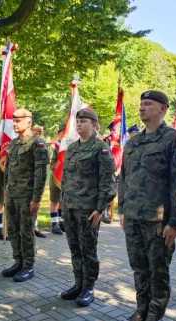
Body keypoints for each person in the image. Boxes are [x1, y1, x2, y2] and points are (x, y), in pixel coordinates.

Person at [118, 90, 176, 321]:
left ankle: (155, 317)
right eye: (141, 104)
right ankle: (141, 311)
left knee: (157, 270)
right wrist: (122, 209)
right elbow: (124, 178)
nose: (142, 108)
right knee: (139, 268)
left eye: (148, 104)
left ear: (163, 109)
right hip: (134, 217)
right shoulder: (133, 142)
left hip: (158, 221)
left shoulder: (175, 140)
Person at [61, 108, 116, 307]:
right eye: (78, 121)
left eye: (84, 121)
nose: (79, 124)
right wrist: (62, 202)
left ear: (94, 125)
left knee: (88, 250)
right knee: (74, 248)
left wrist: (100, 209)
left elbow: (108, 182)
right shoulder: (72, 148)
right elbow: (66, 178)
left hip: (88, 209)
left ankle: (88, 287)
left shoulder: (100, 148)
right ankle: (78, 283)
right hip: (70, 207)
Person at [2, 108, 48, 282]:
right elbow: (8, 169)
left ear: (29, 122)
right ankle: (18, 261)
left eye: (18, 120)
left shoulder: (38, 144)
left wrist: (36, 199)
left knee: (25, 231)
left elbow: (41, 174)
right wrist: (6, 189)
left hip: (27, 196)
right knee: (13, 230)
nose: (15, 123)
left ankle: (28, 266)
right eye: (13, 120)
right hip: (12, 194)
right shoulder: (13, 144)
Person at [49, 126, 65, 235]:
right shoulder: (54, 146)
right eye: (63, 133)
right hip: (56, 177)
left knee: (62, 201)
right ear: (59, 134)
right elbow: (51, 164)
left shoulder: (67, 147)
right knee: (55, 201)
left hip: (66, 177)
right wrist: (58, 163)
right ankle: (54, 223)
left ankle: (60, 221)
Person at [31, 124, 47, 238]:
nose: (38, 133)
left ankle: (34, 227)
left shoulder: (42, 142)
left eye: (40, 131)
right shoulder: (27, 142)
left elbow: (45, 160)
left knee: (36, 204)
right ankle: (28, 228)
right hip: (28, 178)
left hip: (38, 177)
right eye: (36, 130)